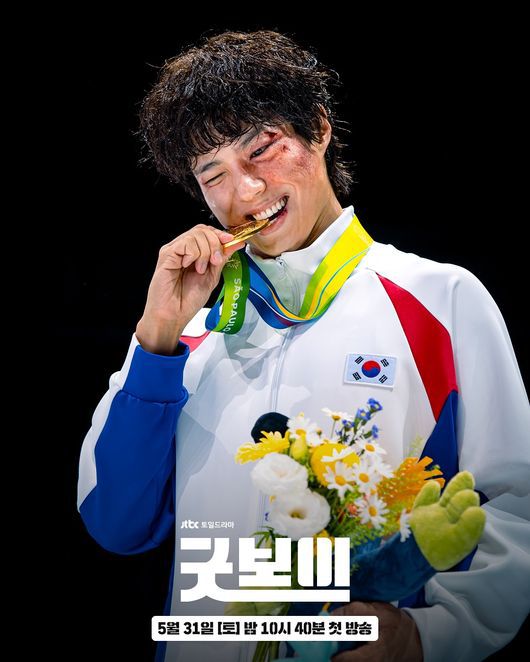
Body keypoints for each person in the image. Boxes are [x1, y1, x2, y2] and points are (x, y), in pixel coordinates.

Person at [77, 29, 530, 662]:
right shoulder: (185, 343)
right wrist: (155, 342)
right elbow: (115, 522)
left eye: (261, 149)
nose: (245, 192)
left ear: (318, 129)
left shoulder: (440, 300)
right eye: (213, 175)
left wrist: (428, 638)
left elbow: (513, 504)